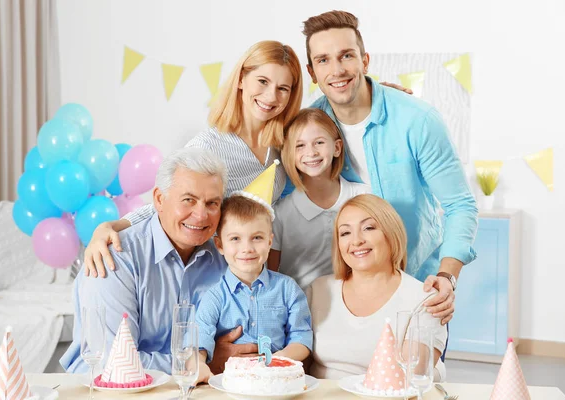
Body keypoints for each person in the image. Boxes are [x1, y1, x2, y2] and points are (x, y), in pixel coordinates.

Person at [301, 10, 478, 324]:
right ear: (312, 72)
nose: (337, 69)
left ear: (365, 60)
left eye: (346, 56)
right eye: (324, 60)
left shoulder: (417, 119)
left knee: (417, 373)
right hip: (342, 298)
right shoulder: (307, 131)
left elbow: (459, 204)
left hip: (417, 286)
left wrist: (447, 278)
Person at [83, 40, 303, 278]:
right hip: (210, 271)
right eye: (263, 82)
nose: (271, 96)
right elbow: (168, 202)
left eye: (283, 88)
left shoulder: (283, 147)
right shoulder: (209, 145)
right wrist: (112, 226)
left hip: (256, 270)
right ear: (241, 80)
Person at [60, 148, 232, 373]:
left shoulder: (227, 259)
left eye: (212, 204)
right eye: (189, 200)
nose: (201, 215)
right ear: (160, 199)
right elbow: (116, 362)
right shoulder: (115, 258)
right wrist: (197, 363)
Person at [307, 194, 447, 380]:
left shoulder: (425, 300)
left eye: (368, 228)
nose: (356, 241)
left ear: (391, 233)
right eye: (345, 233)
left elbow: (409, 380)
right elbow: (296, 369)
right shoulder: (318, 290)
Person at [195, 195, 313, 383]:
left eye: (257, 237)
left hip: (278, 381)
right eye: (235, 238)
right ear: (220, 245)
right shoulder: (214, 296)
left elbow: (302, 336)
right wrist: (199, 363)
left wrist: (278, 360)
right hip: (231, 382)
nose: (247, 248)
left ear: (269, 242)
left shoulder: (288, 289)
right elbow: (201, 334)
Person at [268, 108, 370, 288]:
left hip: (357, 304)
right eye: (300, 145)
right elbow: (271, 275)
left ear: (337, 148)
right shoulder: (280, 214)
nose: (311, 152)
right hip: (302, 309)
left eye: (319, 142)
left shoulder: (364, 197)